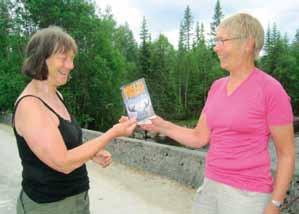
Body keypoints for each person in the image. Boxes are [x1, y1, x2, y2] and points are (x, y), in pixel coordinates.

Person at [141, 13, 295, 214]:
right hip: (210, 187)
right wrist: (161, 125)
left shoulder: (271, 90)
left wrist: (274, 204)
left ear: (248, 43)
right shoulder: (216, 87)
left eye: (222, 40)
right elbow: (199, 137)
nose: (216, 47)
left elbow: (287, 154)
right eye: (216, 40)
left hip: (247, 196)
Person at [13, 26, 136, 214]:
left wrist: (91, 153)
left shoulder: (56, 96)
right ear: (41, 58)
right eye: (63, 58)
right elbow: (63, 162)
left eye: (72, 59)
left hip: (77, 199)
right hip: (49, 206)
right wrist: (113, 132)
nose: (71, 65)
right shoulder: (31, 106)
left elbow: (64, 142)